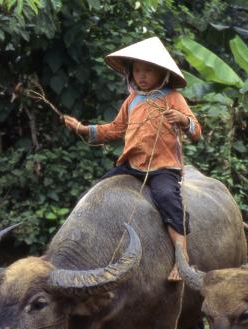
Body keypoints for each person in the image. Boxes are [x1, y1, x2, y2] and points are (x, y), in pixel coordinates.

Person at [63, 37, 201, 282]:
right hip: (131, 165)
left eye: (148, 70)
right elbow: (115, 130)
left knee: (168, 198)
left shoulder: (173, 98)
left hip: (162, 166)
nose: (142, 75)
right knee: (97, 192)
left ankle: (182, 259)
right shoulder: (132, 101)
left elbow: (197, 132)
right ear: (131, 72)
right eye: (138, 70)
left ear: (162, 73)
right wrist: (83, 129)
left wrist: (182, 120)